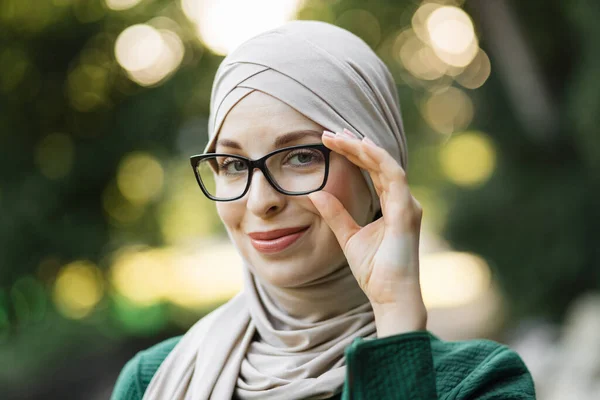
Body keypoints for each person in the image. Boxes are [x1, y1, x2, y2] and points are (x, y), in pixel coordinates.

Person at [111, 20, 535, 400]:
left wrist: (395, 317)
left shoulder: (479, 384)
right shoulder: (152, 381)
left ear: (377, 171)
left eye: (300, 157)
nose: (261, 201)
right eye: (234, 164)